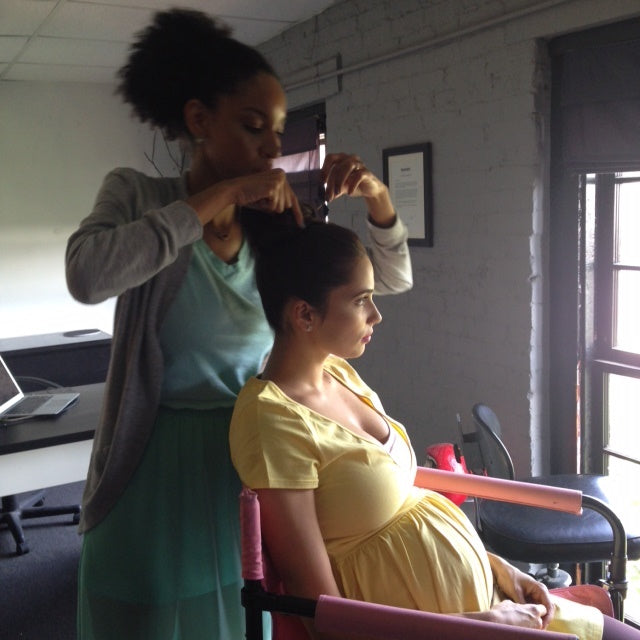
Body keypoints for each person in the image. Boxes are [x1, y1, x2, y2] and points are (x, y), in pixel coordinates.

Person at [65, 8, 412, 640]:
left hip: (250, 454)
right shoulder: (140, 196)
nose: (273, 149)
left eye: (278, 132)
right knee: (142, 617)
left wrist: (380, 201)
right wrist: (217, 199)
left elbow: (384, 283)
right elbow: (88, 275)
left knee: (237, 616)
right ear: (200, 121)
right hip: (150, 462)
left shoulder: (277, 228)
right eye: (254, 128)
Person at [229, 220, 639, 640]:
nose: (377, 314)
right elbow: (322, 617)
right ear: (304, 314)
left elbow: (399, 495)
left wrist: (501, 569)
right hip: (438, 630)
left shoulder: (338, 373)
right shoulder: (271, 421)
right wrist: (482, 626)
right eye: (361, 300)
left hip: (487, 604)